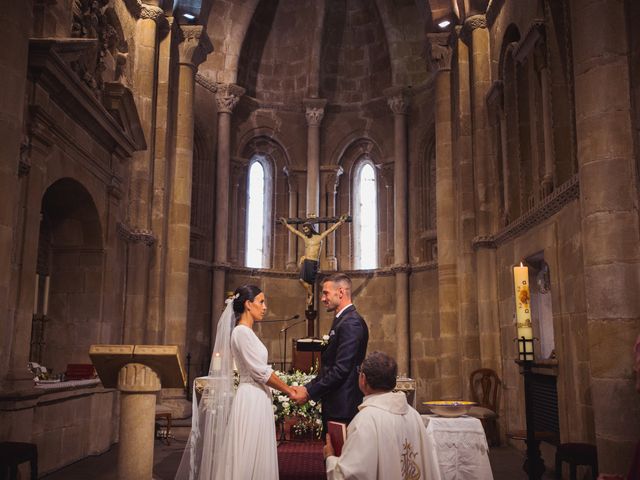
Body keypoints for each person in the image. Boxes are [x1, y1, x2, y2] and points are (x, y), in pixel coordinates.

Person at [175, 285, 296, 480]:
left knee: (256, 450)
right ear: (248, 304)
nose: (265, 307)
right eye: (261, 302)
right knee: (247, 452)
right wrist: (289, 390)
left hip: (258, 397)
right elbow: (260, 372)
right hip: (251, 398)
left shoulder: (248, 332)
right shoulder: (241, 333)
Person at [323, 351, 432, 480]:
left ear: (363, 379)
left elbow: (350, 476)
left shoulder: (366, 420)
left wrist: (330, 457)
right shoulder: (414, 415)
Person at [291, 273, 369, 432]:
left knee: (340, 455)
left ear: (340, 292)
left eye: (326, 293)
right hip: (336, 403)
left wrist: (308, 393)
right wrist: (307, 387)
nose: (322, 298)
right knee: (332, 455)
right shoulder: (342, 320)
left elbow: (341, 369)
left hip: (343, 406)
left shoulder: (351, 322)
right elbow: (329, 366)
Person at [279, 214, 349, 306]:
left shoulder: (319, 237)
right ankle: (310, 294)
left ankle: (312, 294)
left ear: (311, 228)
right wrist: (286, 225)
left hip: (313, 262)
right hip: (307, 261)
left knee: (311, 282)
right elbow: (295, 231)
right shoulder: (305, 238)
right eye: (304, 230)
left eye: (306, 229)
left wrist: (340, 222)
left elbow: (330, 230)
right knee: (301, 280)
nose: (305, 231)